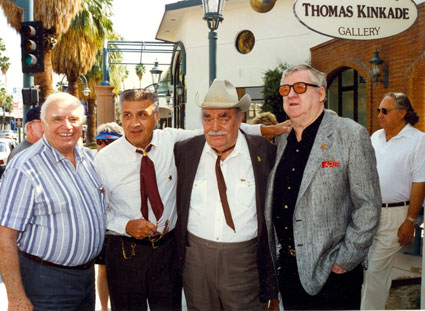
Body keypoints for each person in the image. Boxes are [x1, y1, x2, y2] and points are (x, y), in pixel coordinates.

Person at [94, 88, 288, 311]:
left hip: (167, 252)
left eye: (142, 114)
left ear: (156, 116)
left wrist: (266, 129)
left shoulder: (172, 141)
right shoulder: (104, 160)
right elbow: (96, 211)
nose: (134, 123)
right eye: (127, 115)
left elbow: (217, 130)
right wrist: (125, 225)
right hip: (126, 252)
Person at [265, 64, 381, 310]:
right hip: (288, 269)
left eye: (299, 87)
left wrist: (346, 259)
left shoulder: (350, 135)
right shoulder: (282, 139)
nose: (291, 95)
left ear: (320, 94)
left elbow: (368, 205)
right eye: (285, 89)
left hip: (333, 272)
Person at [174, 79, 280, 311]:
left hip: (245, 263)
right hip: (196, 262)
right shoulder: (185, 151)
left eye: (224, 117)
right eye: (207, 117)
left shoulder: (265, 154)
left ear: (239, 118)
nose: (215, 126)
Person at [0, 92, 105, 311]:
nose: (67, 126)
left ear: (82, 124)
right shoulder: (25, 167)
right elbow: (5, 238)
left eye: (74, 119)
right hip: (45, 284)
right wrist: (16, 297)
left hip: (85, 279)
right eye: (57, 119)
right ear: (43, 124)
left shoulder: (90, 159)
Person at [361, 92, 425, 310]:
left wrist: (410, 220)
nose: (379, 115)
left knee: (375, 269)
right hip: (369, 212)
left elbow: (420, 183)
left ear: (403, 113)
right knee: (374, 269)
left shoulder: (418, 141)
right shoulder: (375, 137)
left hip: (396, 215)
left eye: (385, 111)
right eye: (378, 110)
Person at [93, 122, 123, 311]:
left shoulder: (131, 161)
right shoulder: (92, 163)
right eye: (100, 142)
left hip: (126, 229)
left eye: (109, 142)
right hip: (103, 227)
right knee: (103, 270)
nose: (103, 146)